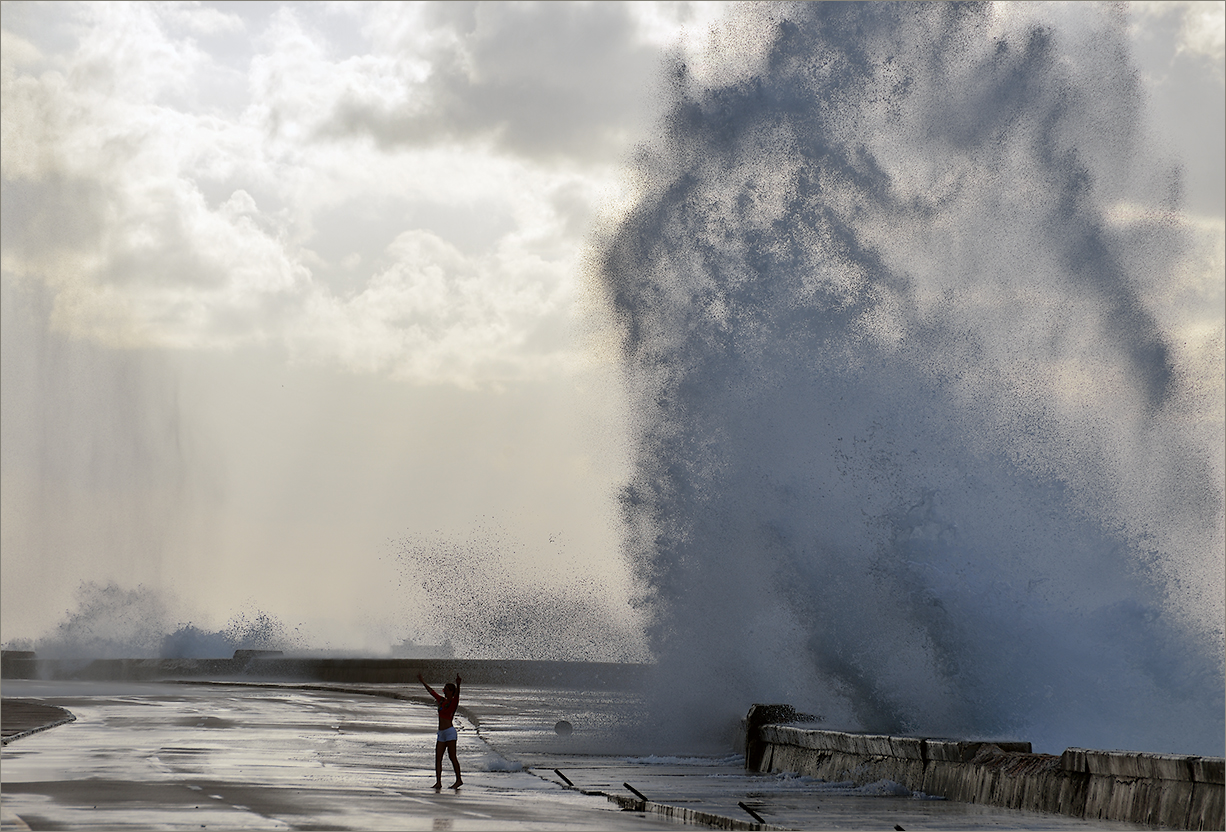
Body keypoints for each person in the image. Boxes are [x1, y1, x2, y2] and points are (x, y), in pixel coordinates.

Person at [417, 672, 463, 789]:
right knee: (438, 757)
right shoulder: (442, 701)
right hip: (441, 733)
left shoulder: (453, 703)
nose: (444, 691)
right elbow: (431, 691)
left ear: (451, 692)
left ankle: (458, 780)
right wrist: (422, 681)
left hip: (450, 732)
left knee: (452, 757)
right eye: (444, 689)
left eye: (447, 689)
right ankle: (438, 782)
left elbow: (457, 695)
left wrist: (458, 685)